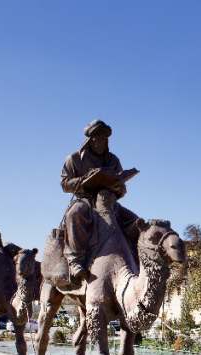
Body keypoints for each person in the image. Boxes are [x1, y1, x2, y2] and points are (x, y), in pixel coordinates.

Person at [60, 119, 145, 285]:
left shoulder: (113, 160)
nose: (104, 141)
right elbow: (64, 184)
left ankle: (137, 260)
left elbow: (122, 189)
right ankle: (75, 261)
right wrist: (85, 180)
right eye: (100, 138)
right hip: (85, 199)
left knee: (137, 222)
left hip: (109, 201)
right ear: (91, 139)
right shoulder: (75, 159)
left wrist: (117, 185)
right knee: (74, 214)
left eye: (106, 138)